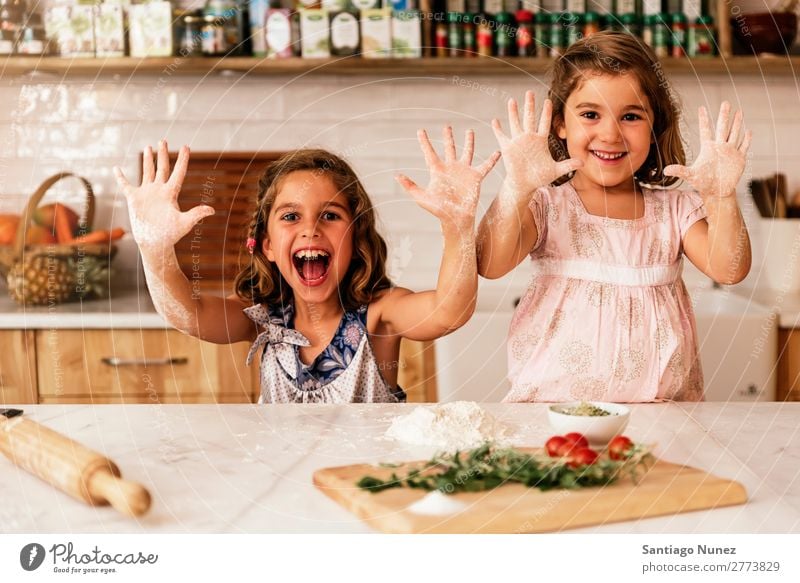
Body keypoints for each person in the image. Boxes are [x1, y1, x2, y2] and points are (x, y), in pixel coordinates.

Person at [114, 132, 499, 403]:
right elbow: (188, 314)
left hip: (361, 489)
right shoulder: (261, 318)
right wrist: (155, 248)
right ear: (267, 245)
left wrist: (457, 225)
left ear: (356, 238)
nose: (310, 229)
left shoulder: (380, 314)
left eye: (330, 215)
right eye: (291, 217)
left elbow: (450, 311)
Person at [476, 32, 752, 402]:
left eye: (631, 116)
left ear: (654, 127)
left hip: (661, 416)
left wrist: (721, 197)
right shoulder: (547, 205)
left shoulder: (675, 211)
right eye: (590, 114)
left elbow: (729, 269)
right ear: (560, 123)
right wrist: (515, 188)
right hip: (552, 413)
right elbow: (490, 263)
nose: (610, 133)